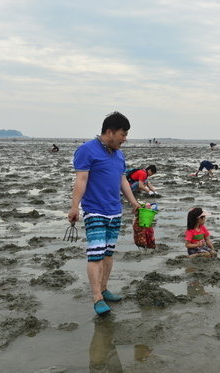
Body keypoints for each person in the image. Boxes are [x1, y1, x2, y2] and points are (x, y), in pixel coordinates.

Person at [67, 112, 141, 316]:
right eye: (123, 134)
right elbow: (81, 180)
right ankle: (97, 297)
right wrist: (74, 207)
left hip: (114, 211)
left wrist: (134, 203)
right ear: (110, 132)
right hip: (94, 210)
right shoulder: (86, 150)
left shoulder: (119, 154)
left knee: (108, 254)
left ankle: (104, 289)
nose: (125, 139)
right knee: (96, 255)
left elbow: (123, 181)